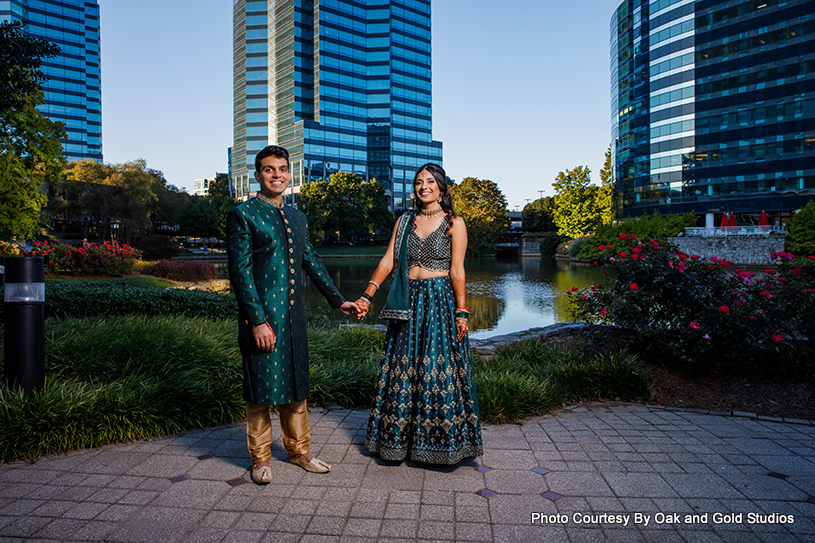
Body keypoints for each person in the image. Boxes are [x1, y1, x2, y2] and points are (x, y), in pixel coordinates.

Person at [226, 145, 359, 484]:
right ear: (258, 176)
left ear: (290, 173)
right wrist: (257, 321)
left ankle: (300, 453)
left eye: (282, 169)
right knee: (260, 393)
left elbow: (310, 261)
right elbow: (240, 273)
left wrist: (338, 301)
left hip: (294, 319)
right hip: (262, 319)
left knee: (296, 388)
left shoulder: (298, 218)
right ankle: (260, 460)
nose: (277, 175)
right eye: (269, 169)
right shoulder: (243, 214)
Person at [355, 163, 483, 464]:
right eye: (418, 182)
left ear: (441, 186)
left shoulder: (455, 223)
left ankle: (441, 445)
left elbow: (457, 270)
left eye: (430, 181)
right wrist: (367, 295)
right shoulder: (404, 221)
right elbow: (388, 260)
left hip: (439, 300)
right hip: (407, 299)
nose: (423, 186)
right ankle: (398, 443)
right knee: (403, 367)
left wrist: (462, 311)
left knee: (436, 371)